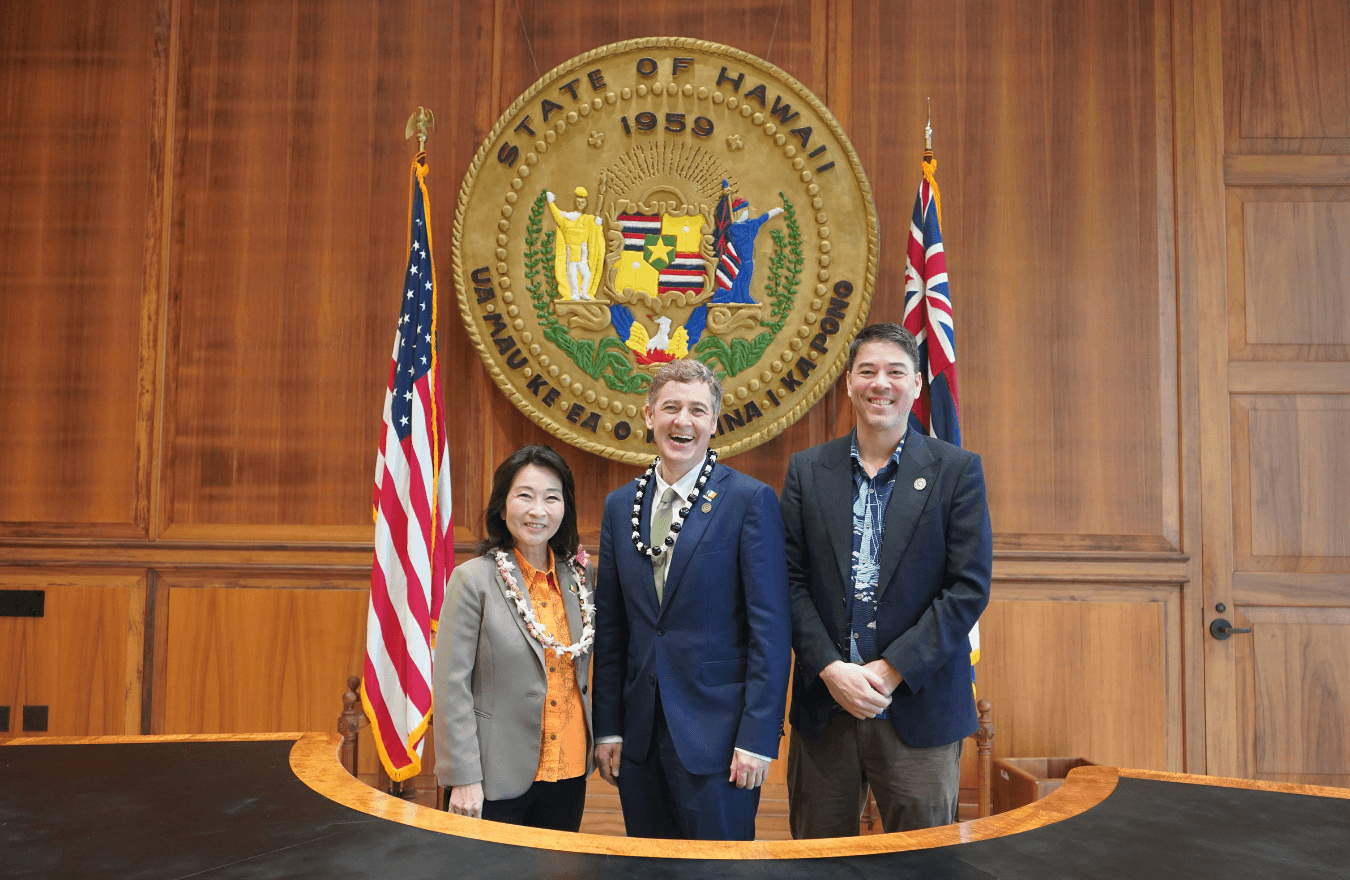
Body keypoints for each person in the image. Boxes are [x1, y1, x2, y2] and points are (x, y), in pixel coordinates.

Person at [780, 322, 992, 837]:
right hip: (825, 710)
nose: (882, 383)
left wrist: (890, 670)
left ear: (917, 385)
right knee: (817, 865)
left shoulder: (956, 470)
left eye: (896, 371)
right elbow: (787, 581)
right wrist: (832, 669)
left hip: (918, 710)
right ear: (849, 380)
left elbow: (968, 587)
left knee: (922, 866)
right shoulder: (807, 471)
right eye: (868, 371)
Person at [592, 359, 791, 840]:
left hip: (721, 743)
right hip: (638, 738)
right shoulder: (621, 507)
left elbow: (771, 630)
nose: (683, 421)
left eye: (697, 410)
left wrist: (758, 739)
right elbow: (612, 629)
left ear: (713, 423)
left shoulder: (749, 500)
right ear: (648, 416)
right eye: (671, 408)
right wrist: (609, 729)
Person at [432, 445, 595, 831]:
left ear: (564, 510)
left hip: (567, 770)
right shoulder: (473, 580)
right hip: (492, 776)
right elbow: (451, 686)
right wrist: (463, 776)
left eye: (551, 498)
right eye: (525, 495)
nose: (538, 510)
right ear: (503, 508)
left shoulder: (581, 580)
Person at [546, 187, 604, 301]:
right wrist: (551, 203)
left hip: (583, 254)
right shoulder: (566, 219)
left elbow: (594, 225)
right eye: (578, 202)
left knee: (587, 274)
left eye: (582, 202)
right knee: (572, 276)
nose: (580, 204)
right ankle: (574, 294)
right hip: (571, 253)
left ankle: (583, 292)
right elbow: (557, 215)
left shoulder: (588, 220)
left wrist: (597, 223)